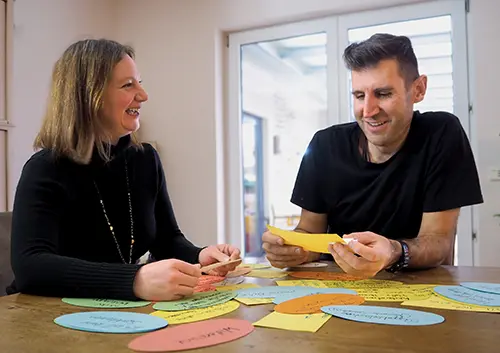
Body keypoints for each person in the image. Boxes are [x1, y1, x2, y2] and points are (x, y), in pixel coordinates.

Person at [8, 39, 241, 301]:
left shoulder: (146, 159)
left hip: (115, 313)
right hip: (40, 318)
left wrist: (200, 255)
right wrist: (134, 280)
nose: (143, 95)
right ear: (90, 96)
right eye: (128, 85)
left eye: (140, 82)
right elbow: (31, 267)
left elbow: (167, 239)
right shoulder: (44, 169)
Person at [262, 33, 483, 277]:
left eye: (384, 94)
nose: (368, 111)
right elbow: (310, 233)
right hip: (336, 286)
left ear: (418, 90)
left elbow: (439, 242)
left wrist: (393, 252)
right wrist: (292, 248)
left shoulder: (442, 133)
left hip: (417, 287)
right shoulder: (325, 145)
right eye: (359, 96)